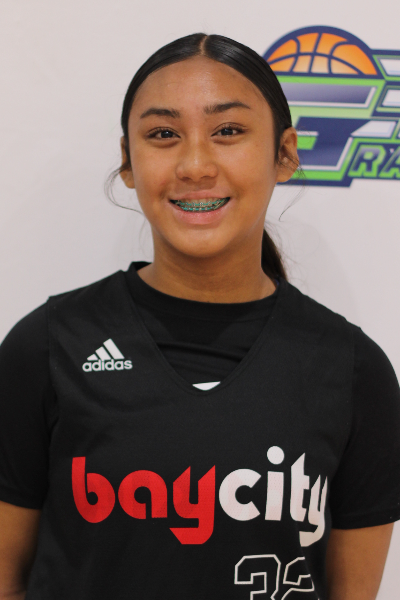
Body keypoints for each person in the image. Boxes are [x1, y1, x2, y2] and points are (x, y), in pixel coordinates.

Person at [0, 33, 399, 600]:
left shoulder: (353, 370)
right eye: (163, 135)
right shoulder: (46, 346)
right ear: (128, 161)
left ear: (285, 153)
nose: (194, 165)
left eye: (228, 131)